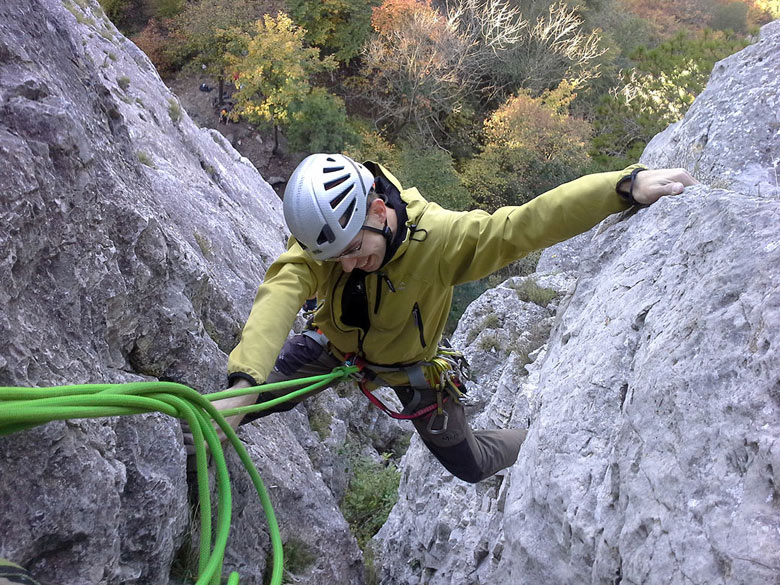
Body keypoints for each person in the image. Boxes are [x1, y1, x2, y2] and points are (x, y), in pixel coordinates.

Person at [210, 154, 696, 483]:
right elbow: (282, 289)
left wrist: (623, 187)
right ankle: (195, 460)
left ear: (379, 210)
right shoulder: (331, 235)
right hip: (332, 346)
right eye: (336, 259)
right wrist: (243, 381)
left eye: (357, 251)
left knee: (470, 464)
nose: (348, 265)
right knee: (242, 405)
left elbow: (521, 226)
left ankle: (537, 440)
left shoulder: (438, 242)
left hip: (410, 369)